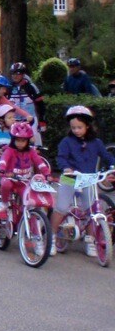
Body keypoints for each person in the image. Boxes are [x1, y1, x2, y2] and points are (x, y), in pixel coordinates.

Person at [53, 105, 115, 255]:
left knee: (91, 209)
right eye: (73, 127)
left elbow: (107, 157)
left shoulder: (96, 143)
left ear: (88, 126)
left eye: (79, 127)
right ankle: (51, 237)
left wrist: (113, 166)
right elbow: (61, 158)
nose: (76, 130)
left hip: (88, 179)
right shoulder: (67, 142)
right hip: (70, 178)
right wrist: (66, 168)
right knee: (61, 207)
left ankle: (90, 239)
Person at [0, 122, 51, 232]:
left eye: (23, 141)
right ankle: (4, 203)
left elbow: (39, 162)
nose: (20, 143)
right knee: (5, 183)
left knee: (30, 206)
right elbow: (3, 160)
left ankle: (36, 235)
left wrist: (46, 173)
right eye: (17, 140)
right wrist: (2, 169)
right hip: (11, 178)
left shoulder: (31, 152)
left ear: (28, 141)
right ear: (13, 139)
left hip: (24, 182)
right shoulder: (9, 150)